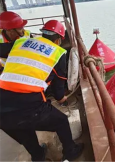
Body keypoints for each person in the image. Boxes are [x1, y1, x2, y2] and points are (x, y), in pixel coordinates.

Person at [0, 20, 83, 162]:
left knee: (23, 129)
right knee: (61, 121)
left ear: (42, 33)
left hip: (2, 109)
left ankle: (38, 156)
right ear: (59, 39)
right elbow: (58, 88)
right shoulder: (58, 53)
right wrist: (61, 99)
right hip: (29, 106)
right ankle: (70, 152)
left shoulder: (21, 43)